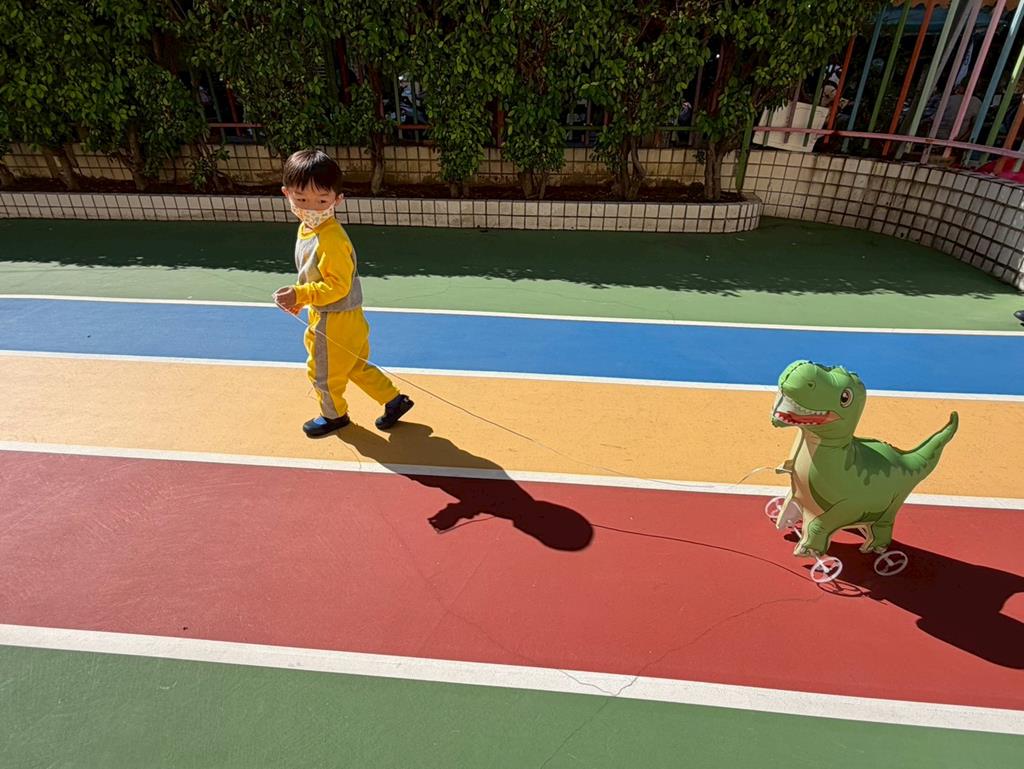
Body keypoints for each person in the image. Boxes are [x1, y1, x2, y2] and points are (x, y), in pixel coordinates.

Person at [273, 149, 414, 437]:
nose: (312, 207)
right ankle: (394, 400)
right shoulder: (309, 229)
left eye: (321, 200)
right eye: (301, 199)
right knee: (355, 365)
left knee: (322, 373)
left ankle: (334, 416)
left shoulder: (330, 239)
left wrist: (300, 294)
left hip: (333, 320)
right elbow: (318, 276)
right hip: (348, 317)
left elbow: (338, 286)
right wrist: (303, 298)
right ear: (286, 194)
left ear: (337, 199)